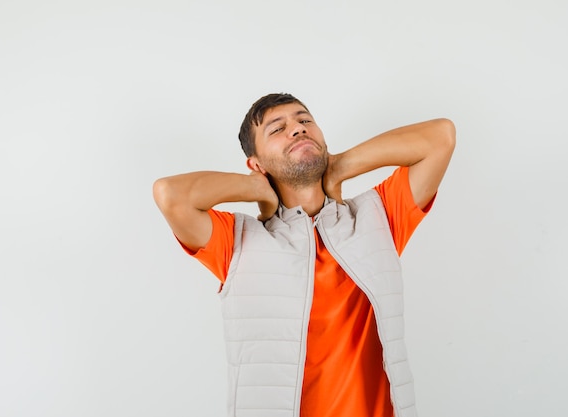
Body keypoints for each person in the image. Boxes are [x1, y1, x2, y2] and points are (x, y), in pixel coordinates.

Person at [153, 93, 455, 417]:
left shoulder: (378, 216)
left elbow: (442, 137)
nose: (297, 129)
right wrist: (257, 189)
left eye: (304, 120)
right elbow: (170, 195)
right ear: (256, 164)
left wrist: (341, 166)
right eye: (277, 129)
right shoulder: (236, 241)